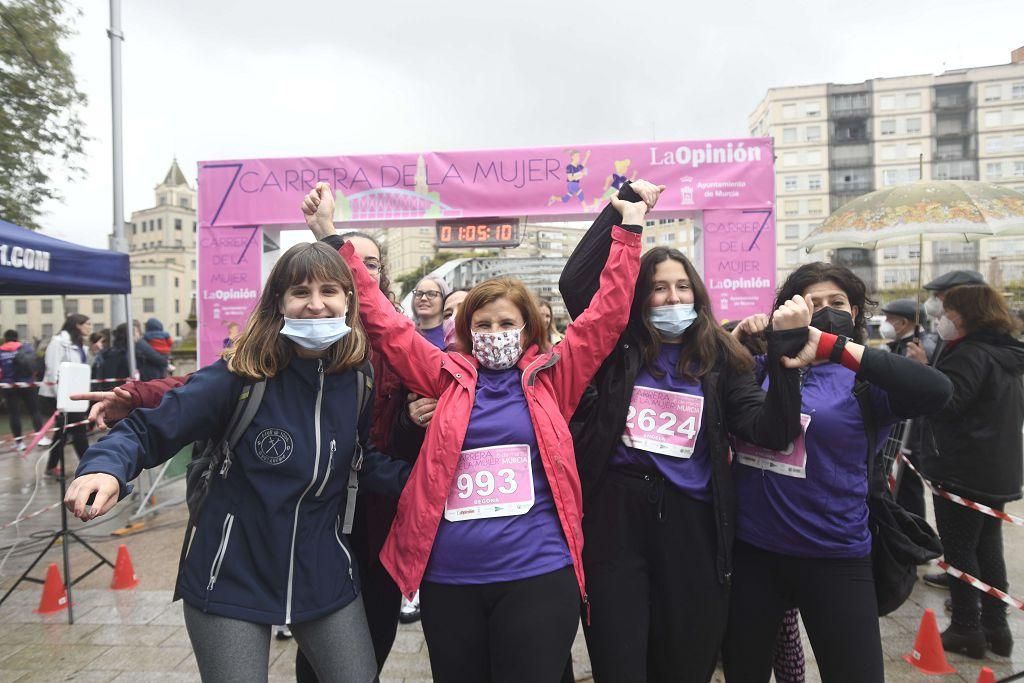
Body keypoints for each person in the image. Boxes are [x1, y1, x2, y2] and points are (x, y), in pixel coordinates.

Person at [304, 179, 648, 682]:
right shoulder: (443, 376)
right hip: (450, 577)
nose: (493, 335)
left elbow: (605, 317)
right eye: (481, 325)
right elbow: (384, 323)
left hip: (538, 570)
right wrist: (333, 238)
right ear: (465, 333)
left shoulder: (556, 376)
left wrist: (629, 230)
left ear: (528, 329)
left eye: (505, 323)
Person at [64, 241, 410, 682]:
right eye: (300, 292)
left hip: (323, 572)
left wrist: (431, 486)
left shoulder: (357, 378)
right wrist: (105, 467)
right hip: (229, 575)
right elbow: (148, 429)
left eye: (330, 291)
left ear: (349, 300)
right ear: (279, 302)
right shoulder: (241, 375)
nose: (316, 304)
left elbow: (361, 460)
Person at [560, 179, 808, 683]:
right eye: (656, 287)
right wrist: (625, 208)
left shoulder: (722, 356)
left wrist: (785, 362)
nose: (671, 296)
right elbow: (574, 283)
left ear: (696, 293)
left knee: (687, 657)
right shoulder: (616, 347)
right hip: (615, 522)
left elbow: (771, 430)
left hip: (693, 525)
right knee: (620, 657)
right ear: (637, 296)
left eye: (681, 287)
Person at [722, 262, 952, 683]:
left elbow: (938, 391)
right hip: (754, 552)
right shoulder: (759, 367)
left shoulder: (864, 378)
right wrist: (734, 341)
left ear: (857, 313)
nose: (825, 309)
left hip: (834, 555)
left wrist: (833, 349)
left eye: (837, 303)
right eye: (813, 303)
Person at [917, 283, 1024, 659]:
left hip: (962, 468)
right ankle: (996, 628)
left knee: (960, 550)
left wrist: (922, 377)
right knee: (987, 547)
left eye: (947, 310)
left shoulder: (970, 355)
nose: (941, 317)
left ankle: (966, 627)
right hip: (997, 470)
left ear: (965, 315)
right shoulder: (1006, 353)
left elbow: (947, 404)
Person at [879, 298, 938, 521]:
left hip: (910, 434)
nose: (884, 324)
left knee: (908, 489)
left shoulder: (920, 347)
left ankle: (914, 534)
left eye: (888, 319)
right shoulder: (898, 346)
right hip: (896, 432)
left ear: (903, 323)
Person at [40, 314, 93, 476]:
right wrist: (61, 398)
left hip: (74, 394)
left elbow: (83, 369)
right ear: (77, 325)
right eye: (88, 324)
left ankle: (51, 466)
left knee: (63, 431)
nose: (90, 327)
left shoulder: (79, 345)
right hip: (59, 396)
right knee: (78, 429)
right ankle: (90, 466)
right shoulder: (58, 343)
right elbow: (52, 370)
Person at [0, 330, 44, 451]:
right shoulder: (25, 348)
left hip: (8, 386)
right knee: (34, 411)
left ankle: (19, 443)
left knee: (14, 414)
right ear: (17, 338)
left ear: (5, 338)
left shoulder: (1, 350)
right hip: (27, 383)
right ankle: (41, 438)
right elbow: (34, 363)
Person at [411, 276, 449, 349]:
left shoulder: (450, 335)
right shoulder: (406, 332)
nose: (423, 298)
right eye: (419, 294)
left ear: (444, 299)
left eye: (431, 294)